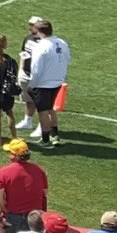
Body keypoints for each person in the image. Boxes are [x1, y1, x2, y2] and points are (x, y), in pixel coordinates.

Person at [20, 16, 70, 147]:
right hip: (57, 81)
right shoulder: (62, 42)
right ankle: (55, 135)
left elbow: (36, 68)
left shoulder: (40, 46)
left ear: (40, 32)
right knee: (50, 109)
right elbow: (67, 59)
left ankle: (46, 139)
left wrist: (32, 84)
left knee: (42, 111)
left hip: (43, 83)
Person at [0, 136, 47, 233]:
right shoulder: (39, 170)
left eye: (10, 152)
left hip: (14, 216)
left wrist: (4, 210)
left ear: (14, 155)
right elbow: (45, 192)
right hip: (35, 217)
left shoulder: (3, 172)